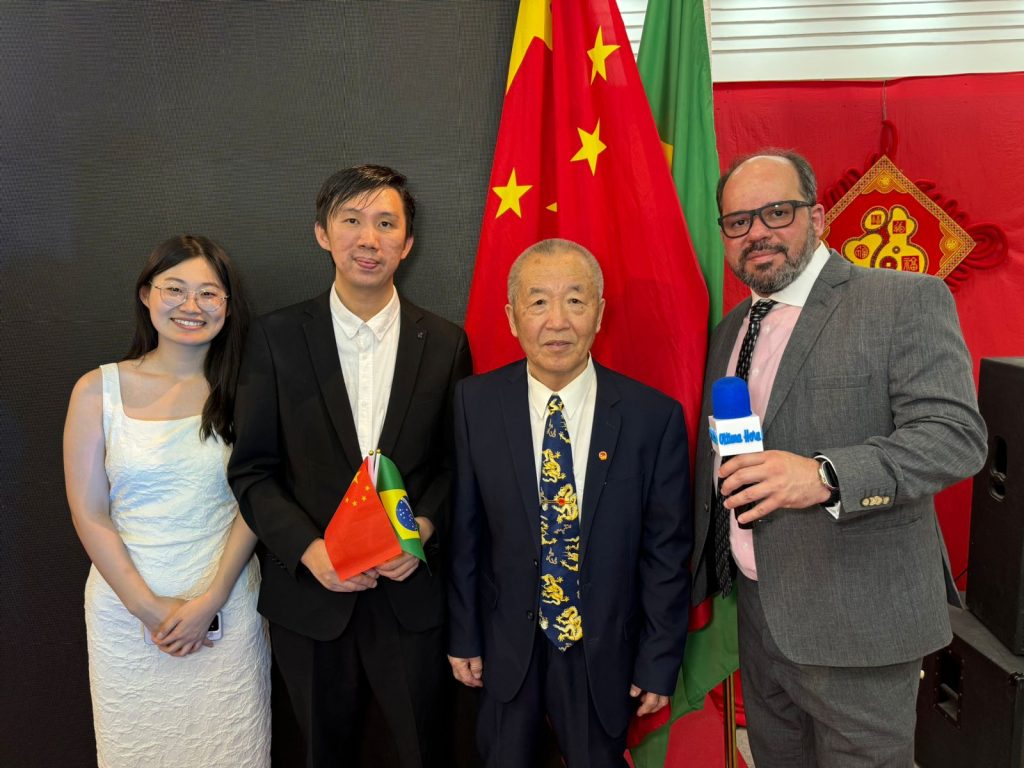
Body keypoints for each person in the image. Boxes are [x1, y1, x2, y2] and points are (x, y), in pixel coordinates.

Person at [690, 149, 988, 767]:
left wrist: (824, 475)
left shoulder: (903, 300)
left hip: (860, 623)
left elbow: (955, 436)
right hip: (759, 617)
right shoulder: (731, 328)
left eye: (777, 212)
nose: (758, 233)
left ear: (818, 217)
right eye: (739, 221)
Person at [228, 164, 472, 768]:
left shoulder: (445, 342)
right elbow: (252, 471)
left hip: (410, 596)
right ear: (322, 233)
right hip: (310, 598)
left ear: (407, 243)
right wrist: (310, 552)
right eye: (352, 221)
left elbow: (456, 466)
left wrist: (422, 530)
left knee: (422, 752)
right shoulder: (275, 338)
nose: (369, 239)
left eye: (386, 224)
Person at [447, 238, 692, 768]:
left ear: (598, 314)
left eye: (575, 301)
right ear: (512, 318)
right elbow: (465, 534)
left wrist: (658, 659)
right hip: (505, 647)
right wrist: (464, 635)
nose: (557, 321)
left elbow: (667, 554)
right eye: (538, 302)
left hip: (602, 650)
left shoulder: (653, 418)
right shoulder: (474, 404)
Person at [63, 234, 269, 767]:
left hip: (226, 605)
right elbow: (89, 511)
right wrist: (146, 607)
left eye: (209, 293)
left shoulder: (249, 390)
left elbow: (257, 498)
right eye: (174, 289)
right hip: (125, 611)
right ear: (146, 294)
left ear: (228, 305)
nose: (191, 306)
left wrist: (211, 601)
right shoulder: (96, 390)